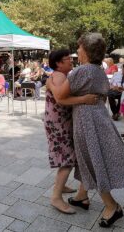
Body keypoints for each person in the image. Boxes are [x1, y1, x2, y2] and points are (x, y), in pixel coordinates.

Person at [48, 33, 124, 228]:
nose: (77, 51)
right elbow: (103, 96)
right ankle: (82, 196)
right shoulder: (98, 70)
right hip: (99, 118)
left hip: (86, 122)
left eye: (79, 47)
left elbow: (61, 98)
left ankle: (112, 205)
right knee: (86, 159)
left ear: (87, 51)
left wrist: (52, 84)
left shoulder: (81, 71)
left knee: (92, 160)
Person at [45, 49, 98, 214]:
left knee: (65, 156)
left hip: (59, 122)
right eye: (68, 59)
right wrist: (84, 99)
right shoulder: (60, 76)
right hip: (59, 123)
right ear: (59, 63)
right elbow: (61, 99)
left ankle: (61, 186)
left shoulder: (58, 75)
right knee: (67, 159)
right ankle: (56, 197)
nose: (71, 61)